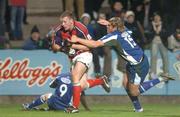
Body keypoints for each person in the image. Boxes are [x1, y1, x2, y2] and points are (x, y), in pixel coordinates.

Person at [69, 17, 175, 112]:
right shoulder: (125, 31)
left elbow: (95, 44)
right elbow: (122, 27)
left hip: (138, 65)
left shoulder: (114, 37)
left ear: (114, 27)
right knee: (125, 83)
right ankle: (138, 109)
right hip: (135, 61)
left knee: (134, 92)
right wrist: (108, 23)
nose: (107, 27)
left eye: (109, 25)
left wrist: (77, 39)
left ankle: (161, 78)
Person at [48, 11, 110, 113]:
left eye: (65, 22)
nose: (62, 24)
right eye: (62, 22)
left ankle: (74, 107)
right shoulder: (59, 30)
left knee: (74, 77)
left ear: (71, 21)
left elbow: (90, 46)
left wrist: (72, 45)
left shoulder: (81, 28)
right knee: (82, 85)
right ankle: (101, 81)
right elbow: (55, 46)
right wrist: (63, 48)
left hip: (84, 54)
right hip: (72, 58)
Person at [22, 72, 109, 112]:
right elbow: (79, 94)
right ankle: (100, 81)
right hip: (67, 107)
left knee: (47, 95)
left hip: (54, 101)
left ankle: (29, 106)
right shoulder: (77, 82)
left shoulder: (61, 75)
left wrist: (60, 82)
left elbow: (51, 85)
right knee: (82, 87)